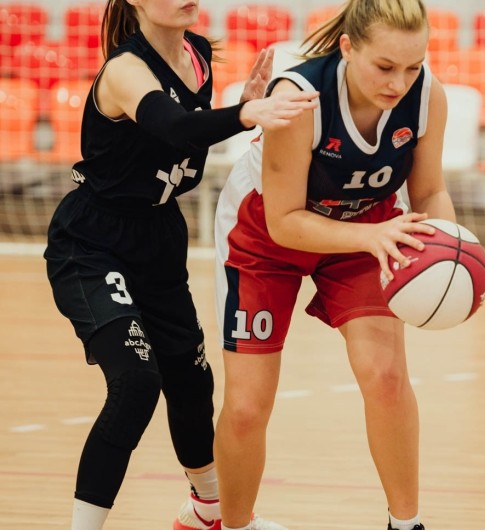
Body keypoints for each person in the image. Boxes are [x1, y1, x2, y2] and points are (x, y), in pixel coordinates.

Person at [42, 0, 318, 528]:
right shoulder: (125, 70)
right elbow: (171, 126)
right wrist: (245, 115)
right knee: (136, 383)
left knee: (191, 379)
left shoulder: (197, 53)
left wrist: (242, 105)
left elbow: (189, 131)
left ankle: (207, 510)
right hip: (94, 242)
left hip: (159, 236)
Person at [213, 1, 456, 529]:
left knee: (386, 377)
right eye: (385, 66)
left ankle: (406, 524)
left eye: (412, 67)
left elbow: (429, 190)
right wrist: (371, 237)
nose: (399, 82)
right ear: (348, 48)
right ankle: (235, 524)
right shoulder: (299, 98)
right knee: (247, 406)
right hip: (263, 235)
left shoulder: (427, 96)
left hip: (368, 226)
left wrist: (449, 254)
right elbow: (284, 222)